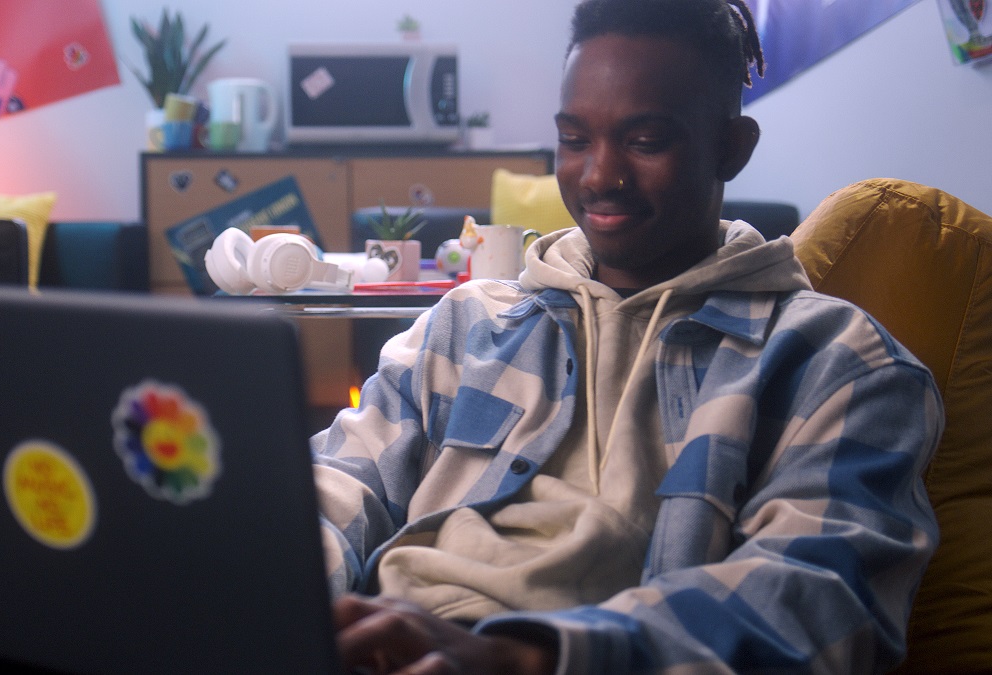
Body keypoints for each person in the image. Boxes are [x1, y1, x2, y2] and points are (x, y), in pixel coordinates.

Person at [313, 0, 942, 672]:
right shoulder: (466, 323)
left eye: (645, 142)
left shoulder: (839, 364)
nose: (599, 176)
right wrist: (282, 598)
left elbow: (820, 604)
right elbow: (335, 490)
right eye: (576, 140)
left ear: (732, 147)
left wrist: (519, 656)